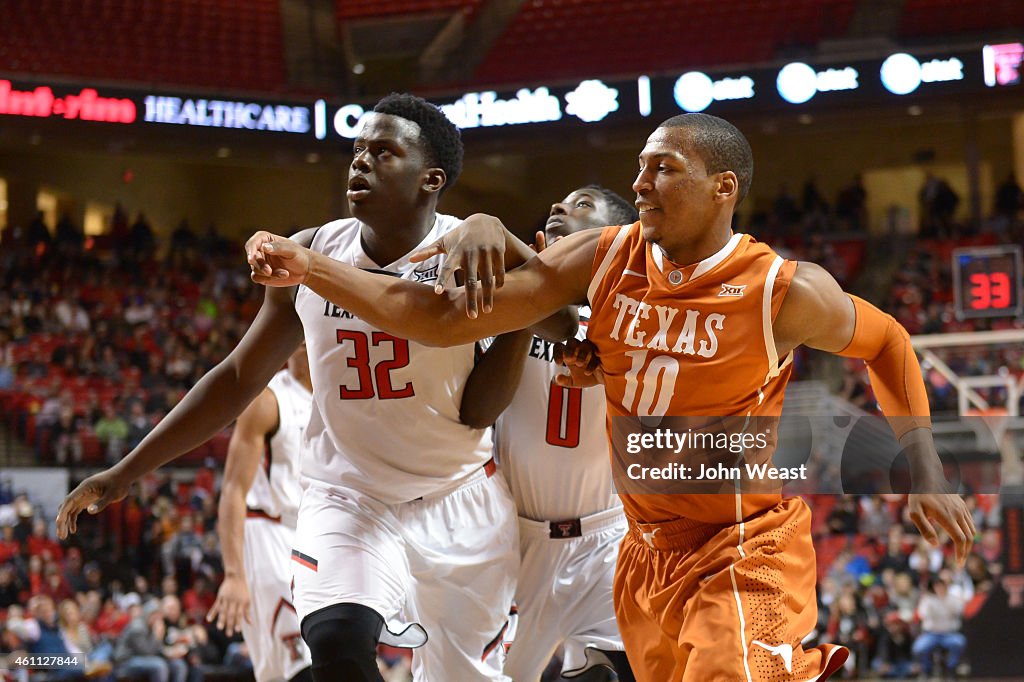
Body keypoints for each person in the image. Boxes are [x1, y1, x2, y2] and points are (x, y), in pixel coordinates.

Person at [241, 111, 976, 681]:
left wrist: (927, 467)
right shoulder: (605, 260)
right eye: (639, 167)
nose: (641, 183)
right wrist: (312, 266)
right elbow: (436, 318)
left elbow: (887, 343)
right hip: (644, 553)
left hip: (739, 544)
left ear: (724, 189)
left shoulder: (782, 291)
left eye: (664, 169)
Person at [57, 93, 575, 681]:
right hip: (348, 496)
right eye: (357, 150)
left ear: (431, 179)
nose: (360, 163)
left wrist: (504, 241)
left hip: (459, 497)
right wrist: (127, 470)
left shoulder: (471, 245)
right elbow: (235, 377)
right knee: (336, 645)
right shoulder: (313, 252)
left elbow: (561, 320)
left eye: (384, 152)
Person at [461, 185, 638, 681]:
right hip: (511, 541)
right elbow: (478, 408)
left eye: (583, 205)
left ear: (611, 239)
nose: (559, 206)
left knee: (610, 673)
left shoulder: (631, 316)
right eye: (558, 201)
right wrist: (525, 299)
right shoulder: (502, 307)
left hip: (605, 537)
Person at [206, 344, 313, 682]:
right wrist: (235, 575)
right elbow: (234, 491)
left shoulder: (341, 397)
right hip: (270, 535)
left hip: (316, 535)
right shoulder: (268, 401)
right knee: (302, 662)